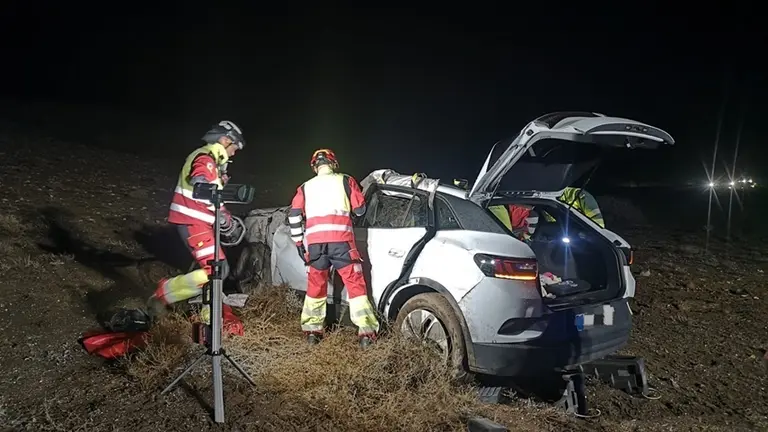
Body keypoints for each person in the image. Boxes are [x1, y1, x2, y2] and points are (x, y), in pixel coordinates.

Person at [147, 120, 246, 327]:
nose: (234, 153)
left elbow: (212, 197)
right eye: (234, 147)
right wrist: (222, 217)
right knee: (216, 271)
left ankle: (209, 319)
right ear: (225, 140)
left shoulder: (212, 162)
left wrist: (225, 216)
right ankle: (166, 293)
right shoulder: (206, 158)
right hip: (193, 222)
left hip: (199, 223)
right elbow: (201, 183)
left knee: (218, 270)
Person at [288, 148, 380, 347]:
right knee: (355, 285)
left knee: (315, 287)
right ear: (334, 163)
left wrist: (297, 242)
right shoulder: (345, 180)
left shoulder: (305, 187)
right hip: (342, 243)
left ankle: (313, 332)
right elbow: (360, 209)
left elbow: (294, 216)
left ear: (315, 166)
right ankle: (366, 333)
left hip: (315, 246)